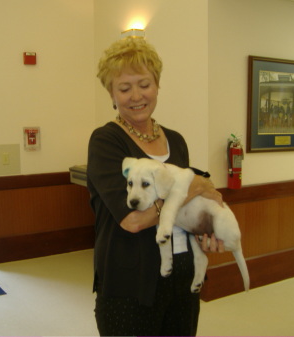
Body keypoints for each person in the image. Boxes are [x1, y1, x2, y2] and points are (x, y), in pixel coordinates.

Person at [87, 36, 224, 336]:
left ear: (157, 85)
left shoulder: (176, 141)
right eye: (124, 88)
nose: (136, 95)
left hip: (182, 276)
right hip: (129, 284)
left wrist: (205, 229)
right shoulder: (106, 141)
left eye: (144, 84)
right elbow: (133, 220)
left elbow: (188, 210)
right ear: (111, 94)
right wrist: (192, 189)